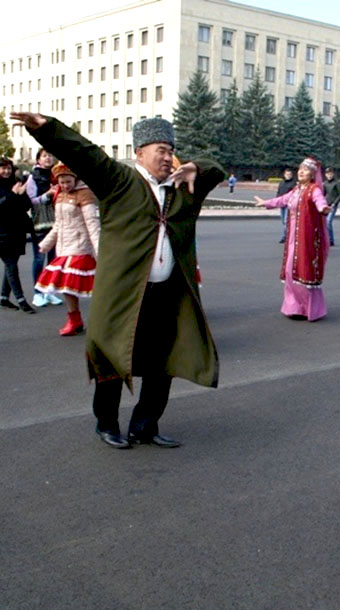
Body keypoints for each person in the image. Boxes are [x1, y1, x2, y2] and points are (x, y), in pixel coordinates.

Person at [14, 111, 225, 449]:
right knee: (111, 359)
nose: (168, 156)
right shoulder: (119, 181)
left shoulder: (183, 188)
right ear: (139, 152)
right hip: (125, 294)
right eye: (160, 149)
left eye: (171, 150)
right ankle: (106, 424)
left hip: (167, 294)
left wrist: (196, 167)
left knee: (162, 365)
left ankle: (145, 426)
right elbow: (84, 153)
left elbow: (217, 168)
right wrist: (47, 129)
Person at [254, 157, 331, 321]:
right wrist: (265, 203)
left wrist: (323, 208)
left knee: (304, 271)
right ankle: (295, 307)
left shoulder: (314, 189)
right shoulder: (296, 190)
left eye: (305, 170)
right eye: (300, 169)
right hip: (293, 238)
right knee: (290, 271)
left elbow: (319, 201)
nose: (301, 172)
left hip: (307, 238)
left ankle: (309, 309)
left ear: (312, 174)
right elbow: (282, 200)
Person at [34, 163, 100, 336]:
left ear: (75, 178)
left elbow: (93, 224)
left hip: (80, 247)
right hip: (63, 247)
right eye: (61, 182)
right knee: (66, 287)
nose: (65, 185)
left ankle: (104, 321)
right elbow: (58, 224)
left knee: (90, 286)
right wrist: (46, 244)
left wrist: (100, 251)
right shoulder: (60, 195)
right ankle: (74, 319)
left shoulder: (85, 194)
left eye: (68, 181)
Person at [25, 148, 63, 307]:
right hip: (40, 223)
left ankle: (50, 291)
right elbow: (31, 200)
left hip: (57, 221)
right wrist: (47, 194)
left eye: (50, 155)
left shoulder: (57, 174)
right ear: (38, 159)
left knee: (53, 259)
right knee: (39, 258)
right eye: (45, 156)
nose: (48, 158)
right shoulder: (34, 177)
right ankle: (38, 292)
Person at [0, 157, 36, 313]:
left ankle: (3, 297)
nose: (6, 171)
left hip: (17, 231)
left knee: (11, 264)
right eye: (3, 168)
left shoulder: (15, 183)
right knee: (11, 266)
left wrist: (21, 194)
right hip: (2, 233)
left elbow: (27, 205)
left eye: (8, 168)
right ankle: (21, 300)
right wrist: (13, 195)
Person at [323, 167, 340, 246]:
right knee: (324, 222)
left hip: (333, 205)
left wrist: (335, 203)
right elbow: (323, 194)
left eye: (330, 174)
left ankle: (331, 240)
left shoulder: (336, 183)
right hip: (326, 204)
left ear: (333, 174)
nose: (329, 175)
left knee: (328, 222)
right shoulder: (325, 183)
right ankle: (325, 238)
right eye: (328, 174)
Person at [276, 168, 296, 243]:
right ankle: (287, 235)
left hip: (288, 204)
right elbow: (279, 192)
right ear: (284, 175)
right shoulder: (281, 183)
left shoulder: (293, 184)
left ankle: (285, 237)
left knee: (286, 221)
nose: (288, 176)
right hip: (282, 204)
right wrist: (277, 201)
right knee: (283, 221)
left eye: (290, 174)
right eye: (287, 174)